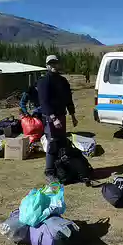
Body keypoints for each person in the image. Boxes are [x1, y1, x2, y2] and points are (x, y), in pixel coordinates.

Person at [37, 55, 78, 183]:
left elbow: (68, 99)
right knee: (52, 143)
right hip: (51, 117)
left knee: (61, 142)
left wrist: (72, 115)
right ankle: (49, 171)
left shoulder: (63, 81)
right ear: (47, 66)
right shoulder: (44, 81)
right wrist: (53, 118)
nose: (54, 66)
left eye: (55, 63)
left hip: (61, 115)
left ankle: (59, 167)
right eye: (51, 64)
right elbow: (44, 102)